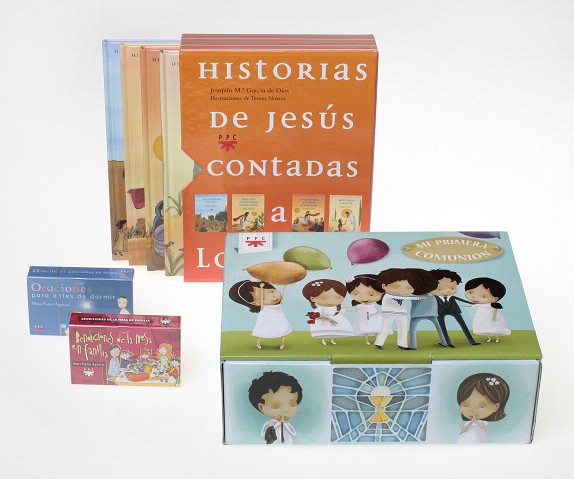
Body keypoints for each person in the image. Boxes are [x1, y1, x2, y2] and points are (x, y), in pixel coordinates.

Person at [229, 280, 292, 349]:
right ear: (255, 303)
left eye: (272, 291)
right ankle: (258, 343)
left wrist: (284, 287)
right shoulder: (263, 307)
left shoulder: (278, 305)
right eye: (263, 298)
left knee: (282, 332)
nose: (273, 296)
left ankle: (282, 344)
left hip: (278, 319)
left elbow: (283, 295)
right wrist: (261, 287)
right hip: (266, 320)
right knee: (261, 333)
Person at [374, 269, 426, 350]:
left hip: (402, 312)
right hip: (389, 312)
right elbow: (403, 297)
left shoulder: (402, 295)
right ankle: (379, 343)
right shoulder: (388, 295)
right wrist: (418, 298)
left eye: (408, 288)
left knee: (403, 328)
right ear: (384, 286)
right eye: (396, 287)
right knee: (386, 327)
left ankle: (402, 344)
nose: (402, 291)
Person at [248, 371, 303, 445]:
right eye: (276, 406)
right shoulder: (270, 426)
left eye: (292, 404)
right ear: (261, 407)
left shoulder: (287, 426)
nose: (286, 409)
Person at [429, 269, 479, 347]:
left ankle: (472, 341)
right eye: (439, 289)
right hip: (440, 312)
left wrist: (472, 303)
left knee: (463, 325)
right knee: (442, 327)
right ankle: (447, 342)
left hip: (454, 310)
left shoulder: (452, 297)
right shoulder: (433, 297)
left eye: (452, 288)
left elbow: (462, 300)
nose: (447, 291)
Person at [457, 373, 510, 443]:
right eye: (466, 405)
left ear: (496, 407)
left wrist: (477, 423)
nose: (472, 410)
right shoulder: (468, 423)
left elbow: (485, 429)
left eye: (482, 406)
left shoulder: (483, 423)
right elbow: (464, 429)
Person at [302, 279, 354, 345]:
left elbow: (343, 310)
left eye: (338, 298)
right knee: (324, 331)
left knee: (334, 330)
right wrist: (324, 318)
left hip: (336, 319)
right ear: (312, 298)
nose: (331, 301)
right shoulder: (320, 309)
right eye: (324, 298)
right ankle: (323, 340)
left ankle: (332, 339)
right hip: (324, 322)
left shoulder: (336, 309)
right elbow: (317, 315)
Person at [407, 269, 449, 349]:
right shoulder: (431, 294)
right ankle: (444, 342)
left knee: (413, 329)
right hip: (432, 313)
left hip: (417, 313)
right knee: (438, 327)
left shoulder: (415, 293)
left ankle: (413, 346)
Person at [465, 277, 510, 343]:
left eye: (483, 296)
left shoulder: (491, 305)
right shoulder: (479, 305)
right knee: (485, 328)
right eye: (470, 292)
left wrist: (494, 317)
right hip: (481, 317)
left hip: (490, 317)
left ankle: (497, 338)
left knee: (493, 327)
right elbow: (472, 305)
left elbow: (495, 311)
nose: (474, 297)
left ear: (495, 299)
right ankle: (489, 338)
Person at [345, 274, 383, 345]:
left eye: (371, 294)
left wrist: (372, 314)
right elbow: (353, 309)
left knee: (376, 328)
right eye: (356, 294)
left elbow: (376, 311)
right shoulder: (360, 306)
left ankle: (377, 339)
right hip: (363, 319)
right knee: (365, 330)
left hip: (373, 318)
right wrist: (345, 309)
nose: (364, 297)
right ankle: (367, 340)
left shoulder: (373, 306)